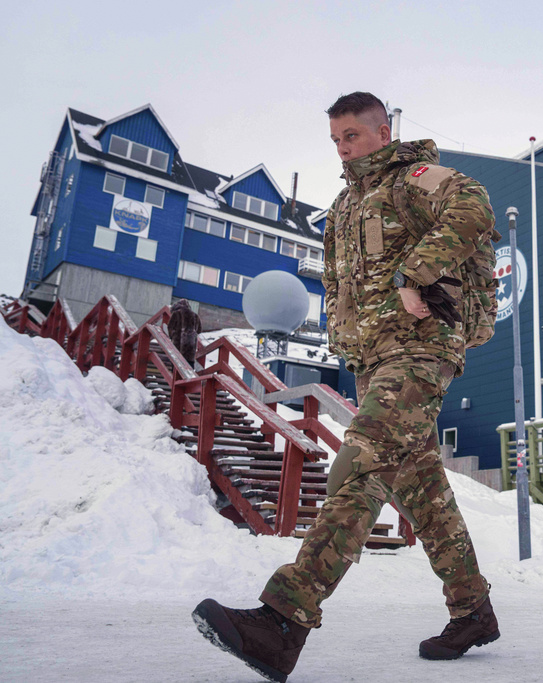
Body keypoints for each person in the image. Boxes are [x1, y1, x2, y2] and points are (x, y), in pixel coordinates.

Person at [193, 92, 499, 681]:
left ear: (382, 132)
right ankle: (473, 610)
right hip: (374, 358)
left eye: (352, 136)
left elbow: (473, 203)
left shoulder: (413, 177)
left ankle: (283, 620)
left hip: (419, 348)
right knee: (423, 493)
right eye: (335, 139)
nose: (342, 148)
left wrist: (418, 272)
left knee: (357, 467)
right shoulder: (344, 204)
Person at [167, 299, 202, 365]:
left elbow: (170, 327)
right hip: (190, 349)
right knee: (188, 368)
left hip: (177, 347)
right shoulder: (195, 316)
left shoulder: (176, 314)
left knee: (175, 366)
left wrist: (172, 336)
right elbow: (199, 330)